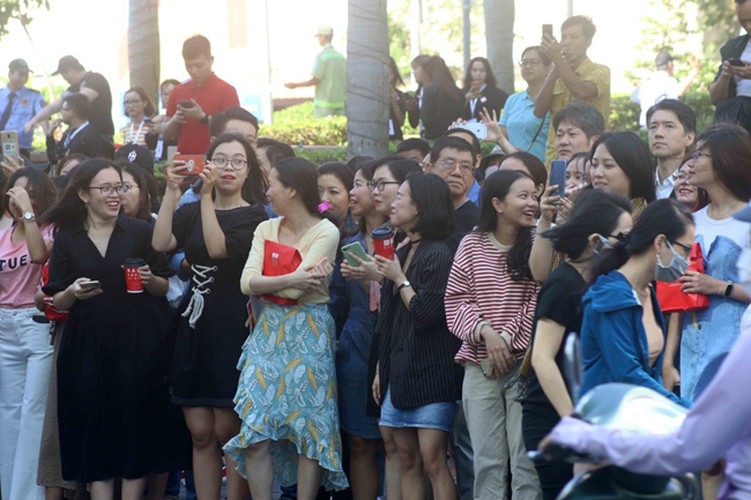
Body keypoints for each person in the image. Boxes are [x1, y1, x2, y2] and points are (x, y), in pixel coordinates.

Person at [41, 159, 183, 499]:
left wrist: (150, 281)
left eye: (119, 187)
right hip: (86, 347)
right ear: (82, 194)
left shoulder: (139, 231)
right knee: (95, 433)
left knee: (135, 430)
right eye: (105, 188)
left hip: (138, 345)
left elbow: (165, 286)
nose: (115, 195)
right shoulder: (68, 238)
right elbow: (56, 301)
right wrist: (73, 292)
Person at [152, 134, 268, 500]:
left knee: (228, 432)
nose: (228, 168)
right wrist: (172, 191)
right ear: (208, 164)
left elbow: (218, 249)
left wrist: (205, 196)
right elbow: (160, 244)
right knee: (200, 432)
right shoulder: (189, 210)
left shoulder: (253, 216)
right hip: (193, 323)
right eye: (221, 159)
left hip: (232, 324)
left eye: (237, 161)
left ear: (248, 170)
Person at [223, 157, 347, 498]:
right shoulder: (266, 228)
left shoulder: (327, 231)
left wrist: (275, 281)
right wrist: (293, 276)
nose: (267, 192)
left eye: (272, 184)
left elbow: (293, 293)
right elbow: (247, 282)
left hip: (310, 329)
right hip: (268, 331)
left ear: (291, 189)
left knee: (309, 433)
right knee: (256, 431)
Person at [521, 190, 633, 499]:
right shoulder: (563, 284)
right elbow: (542, 359)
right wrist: (574, 421)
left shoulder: (601, 283)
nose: (629, 247)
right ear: (594, 240)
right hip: (553, 418)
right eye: (622, 238)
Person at [445, 169, 542, 500]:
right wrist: (487, 334)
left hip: (525, 366)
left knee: (525, 461)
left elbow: (539, 301)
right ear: (498, 204)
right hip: (478, 364)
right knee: (486, 462)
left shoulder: (539, 243)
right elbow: (456, 299)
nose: (532, 202)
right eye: (523, 196)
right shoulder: (471, 243)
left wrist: (505, 340)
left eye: (534, 196)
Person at [370, 173, 459, 500]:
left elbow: (424, 314)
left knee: (434, 462)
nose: (392, 203)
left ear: (421, 207)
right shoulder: (403, 247)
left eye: (401, 197)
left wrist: (399, 277)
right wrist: (381, 367)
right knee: (405, 457)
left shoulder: (438, 253)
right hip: (399, 370)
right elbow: (389, 319)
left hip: (431, 373)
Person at [578, 199, 693, 407]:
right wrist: (684, 408)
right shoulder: (611, 297)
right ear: (659, 243)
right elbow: (628, 374)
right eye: (685, 250)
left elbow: (649, 372)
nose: (687, 260)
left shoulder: (647, 291)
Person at [670, 124, 751, 403]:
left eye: (699, 155)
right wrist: (669, 359)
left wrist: (719, 287)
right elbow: (674, 295)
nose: (690, 164)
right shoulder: (690, 221)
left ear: (725, 161)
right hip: (692, 346)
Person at [0, 168, 55, 500]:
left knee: (34, 410)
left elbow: (39, 256)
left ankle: (29, 496)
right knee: (8, 412)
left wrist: (29, 214)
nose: (22, 199)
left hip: (37, 324)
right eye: (17, 193)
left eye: (31, 194)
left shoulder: (51, 229)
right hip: (5, 326)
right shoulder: (3, 235)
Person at [536, 16, 611, 163]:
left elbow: (582, 92)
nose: (566, 42)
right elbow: (538, 111)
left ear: (588, 42)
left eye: (573, 37)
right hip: (555, 157)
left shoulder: (600, 71)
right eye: (563, 37)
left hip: (589, 157)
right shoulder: (555, 71)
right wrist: (552, 75)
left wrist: (558, 60)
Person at [162, 35, 240, 155]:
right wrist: (175, 119)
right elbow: (166, 135)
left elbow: (234, 131)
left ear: (211, 60)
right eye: (188, 66)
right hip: (185, 163)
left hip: (216, 162)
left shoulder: (226, 90)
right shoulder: (178, 91)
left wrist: (203, 117)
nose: (194, 71)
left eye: (199, 66)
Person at [481, 46, 551, 162]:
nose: (528, 66)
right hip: (513, 166)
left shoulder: (554, 100)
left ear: (548, 68)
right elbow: (501, 134)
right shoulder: (513, 100)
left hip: (542, 168)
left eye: (534, 62)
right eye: (524, 62)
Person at [25, 55, 114, 144]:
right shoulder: (73, 88)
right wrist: (34, 121)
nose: (65, 80)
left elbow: (81, 100)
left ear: (70, 71)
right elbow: (53, 107)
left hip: (100, 135)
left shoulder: (95, 79)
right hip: (81, 135)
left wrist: (66, 97)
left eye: (64, 76)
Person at [424, 136, 480, 253]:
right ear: (429, 169)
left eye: (465, 167)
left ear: (473, 174)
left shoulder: (477, 226)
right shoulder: (415, 214)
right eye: (449, 164)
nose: (457, 172)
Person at [285, 25, 347, 118]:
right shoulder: (341, 57)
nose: (318, 39)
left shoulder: (321, 57)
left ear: (322, 36)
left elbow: (315, 80)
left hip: (324, 107)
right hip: (340, 104)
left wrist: (295, 85)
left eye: (318, 36)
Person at [589, 131, 656, 216]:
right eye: (594, 165)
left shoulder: (651, 220)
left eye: (608, 165)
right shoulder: (582, 213)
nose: (597, 173)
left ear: (632, 169)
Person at [709, 0, 751, 134]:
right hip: (738, 121)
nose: (748, 26)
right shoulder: (733, 48)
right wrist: (725, 75)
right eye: (743, 21)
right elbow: (715, 99)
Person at [631, 50, 700, 129]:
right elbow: (680, 91)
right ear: (670, 64)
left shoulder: (647, 81)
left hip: (645, 127)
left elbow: (633, 97)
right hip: (662, 127)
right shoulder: (667, 80)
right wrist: (695, 71)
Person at [646, 99, 696, 199]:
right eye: (653, 127)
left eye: (669, 126)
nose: (658, 133)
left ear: (689, 137)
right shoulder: (642, 184)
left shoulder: (697, 184)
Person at [407, 55, 464, 140]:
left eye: (415, 68)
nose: (413, 72)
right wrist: (412, 109)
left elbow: (427, 120)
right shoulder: (455, 90)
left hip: (434, 139)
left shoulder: (431, 90)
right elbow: (414, 123)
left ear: (426, 69)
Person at [0, 59, 47, 158]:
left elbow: (43, 117)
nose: (24, 78)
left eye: (26, 75)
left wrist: (49, 136)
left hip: (20, 150)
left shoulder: (34, 96)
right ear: (10, 74)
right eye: (21, 74)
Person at [46, 93, 106, 165]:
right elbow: (54, 159)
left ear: (71, 113)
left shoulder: (90, 135)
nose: (61, 113)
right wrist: (50, 135)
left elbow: (97, 163)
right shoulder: (68, 133)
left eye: (63, 110)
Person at [460, 57, 508, 122]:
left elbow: (511, 108)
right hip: (465, 130)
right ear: (469, 72)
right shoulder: (462, 92)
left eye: (482, 71)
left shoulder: (496, 93)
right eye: (474, 70)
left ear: (487, 73)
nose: (478, 74)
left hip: (487, 130)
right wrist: (465, 99)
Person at [149, 79, 181, 162]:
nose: (168, 97)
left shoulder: (183, 116)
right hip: (160, 160)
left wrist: (163, 129)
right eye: (165, 94)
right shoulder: (159, 118)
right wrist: (152, 129)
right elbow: (151, 144)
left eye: (172, 93)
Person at [389, 57, 409, 141]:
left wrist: (394, 102)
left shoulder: (400, 95)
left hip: (395, 138)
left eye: (390, 73)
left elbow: (401, 122)